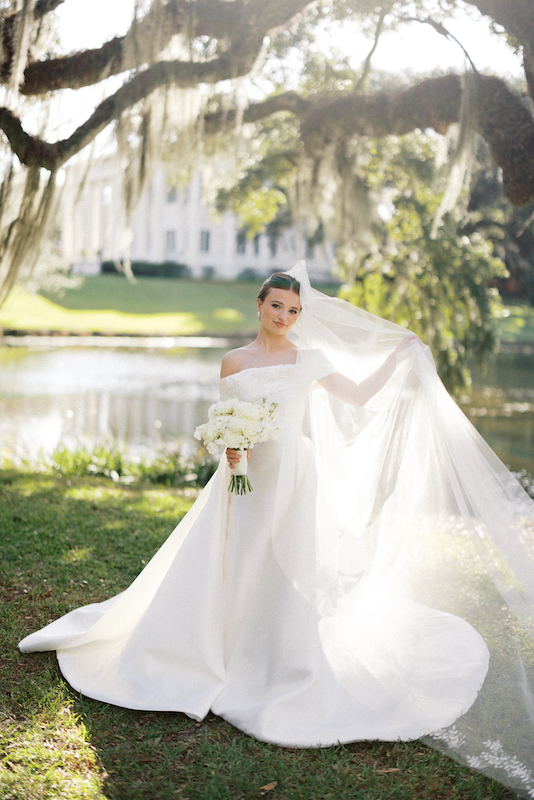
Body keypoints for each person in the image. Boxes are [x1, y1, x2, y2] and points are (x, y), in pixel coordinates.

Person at [19, 263, 534, 799]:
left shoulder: (308, 359)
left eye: (294, 310)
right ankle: (214, 645)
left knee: (288, 562)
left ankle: (279, 655)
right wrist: (231, 450)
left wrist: (398, 356)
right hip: (242, 482)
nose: (285, 317)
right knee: (235, 560)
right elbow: (226, 423)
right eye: (276, 307)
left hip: (296, 478)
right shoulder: (234, 361)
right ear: (259, 306)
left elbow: (357, 395)